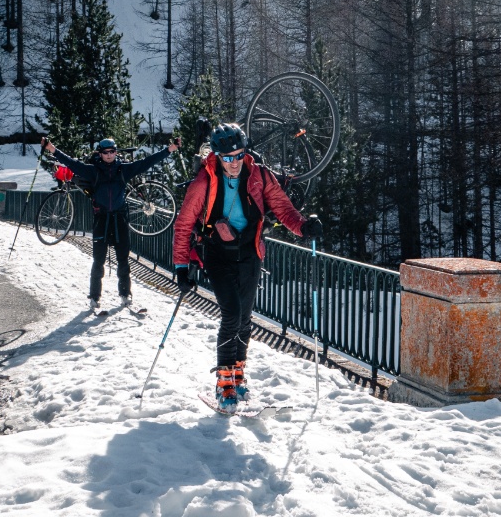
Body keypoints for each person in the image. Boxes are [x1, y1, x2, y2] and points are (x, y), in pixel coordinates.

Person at [172, 122, 322, 410]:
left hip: (250, 253)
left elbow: (282, 207)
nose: (234, 162)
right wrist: (181, 266)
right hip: (217, 254)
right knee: (231, 314)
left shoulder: (259, 175)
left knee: (245, 318)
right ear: (216, 155)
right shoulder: (204, 180)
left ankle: (238, 374)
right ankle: (223, 382)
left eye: (238, 155)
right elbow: (184, 224)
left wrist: (303, 227)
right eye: (227, 157)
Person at [42, 135, 182, 312]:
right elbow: (71, 163)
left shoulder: (123, 170)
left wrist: (169, 149)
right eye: (105, 152)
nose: (109, 155)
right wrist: (52, 148)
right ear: (100, 154)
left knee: (123, 259)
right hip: (101, 220)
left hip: (120, 220)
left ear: (116, 152)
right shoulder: (93, 171)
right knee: (98, 260)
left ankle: (125, 294)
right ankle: (94, 297)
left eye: (112, 152)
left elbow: (147, 162)